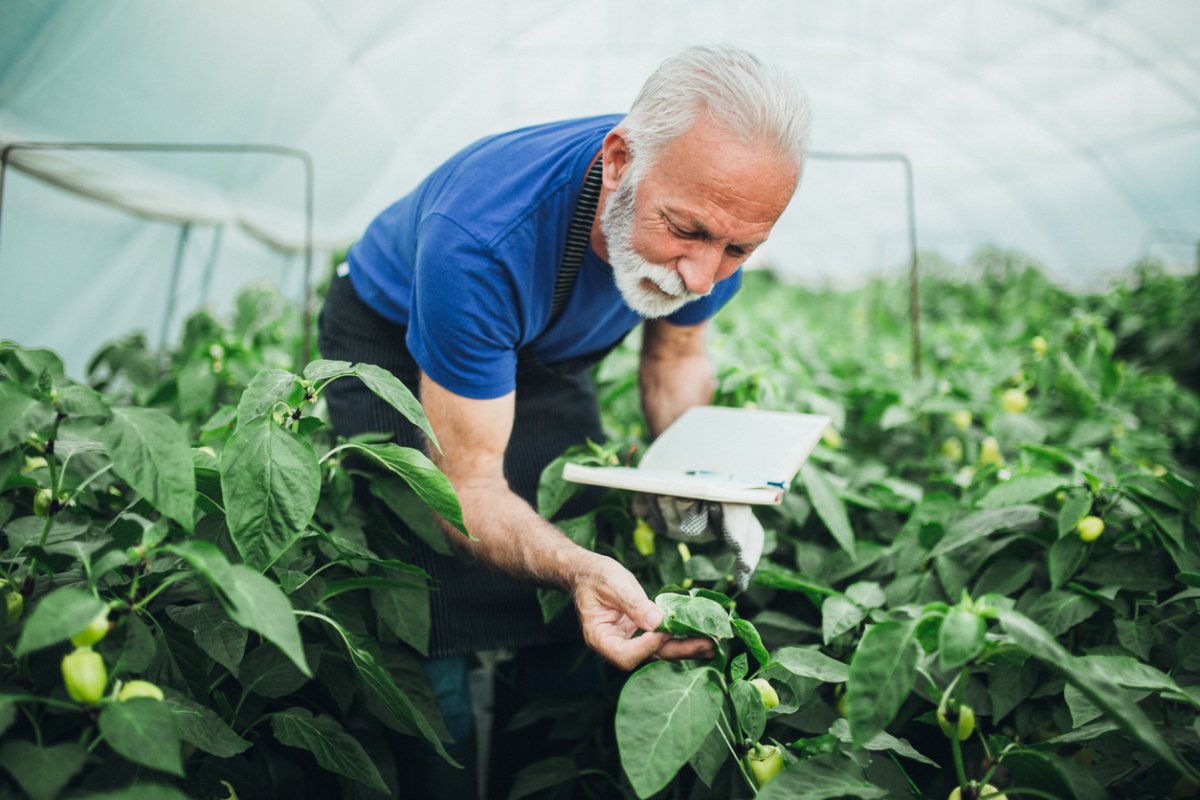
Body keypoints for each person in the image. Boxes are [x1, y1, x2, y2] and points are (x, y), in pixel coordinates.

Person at [318, 43, 810, 797]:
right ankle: (439, 770)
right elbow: (467, 489)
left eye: (740, 248)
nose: (702, 275)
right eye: (685, 231)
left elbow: (674, 361)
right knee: (420, 595)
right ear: (618, 164)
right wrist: (576, 568)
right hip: (393, 338)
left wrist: (703, 484)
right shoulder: (483, 239)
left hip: (545, 354)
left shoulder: (712, 216)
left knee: (572, 580)